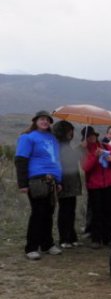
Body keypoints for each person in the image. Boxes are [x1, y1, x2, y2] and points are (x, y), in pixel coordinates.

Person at [14, 111, 63, 260]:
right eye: (42, 119)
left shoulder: (53, 138)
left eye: (47, 120)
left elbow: (56, 160)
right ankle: (31, 247)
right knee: (38, 213)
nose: (45, 122)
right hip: (37, 179)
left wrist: (59, 181)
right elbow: (21, 160)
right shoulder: (27, 137)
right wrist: (23, 183)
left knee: (49, 213)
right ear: (35, 121)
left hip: (52, 180)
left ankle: (47, 244)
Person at [81, 126, 111, 247]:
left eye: (93, 135)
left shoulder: (106, 146)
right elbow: (86, 168)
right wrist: (95, 156)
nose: (92, 137)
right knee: (96, 212)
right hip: (94, 186)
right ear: (85, 138)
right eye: (89, 136)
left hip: (108, 184)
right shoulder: (84, 151)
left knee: (108, 211)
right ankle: (96, 239)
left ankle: (107, 237)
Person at [53, 120, 82, 249]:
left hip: (70, 183)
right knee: (65, 211)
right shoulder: (58, 145)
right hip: (63, 182)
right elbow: (67, 160)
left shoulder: (66, 145)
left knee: (70, 210)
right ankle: (64, 238)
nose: (72, 133)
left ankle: (71, 236)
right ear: (63, 132)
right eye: (69, 131)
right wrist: (81, 148)